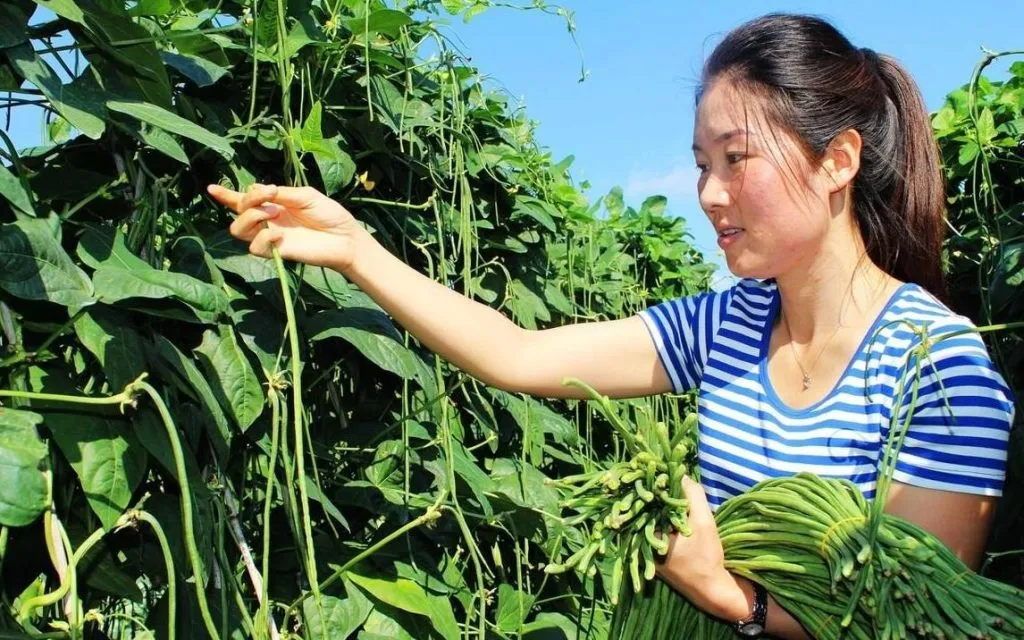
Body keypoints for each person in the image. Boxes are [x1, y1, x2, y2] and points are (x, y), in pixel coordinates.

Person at [207, 13, 1014, 640]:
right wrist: (358, 250)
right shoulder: (727, 324)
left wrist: (732, 598)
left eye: (737, 159)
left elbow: (918, 618)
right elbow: (517, 354)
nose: (709, 193)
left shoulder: (939, 371)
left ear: (836, 161)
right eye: (701, 163)